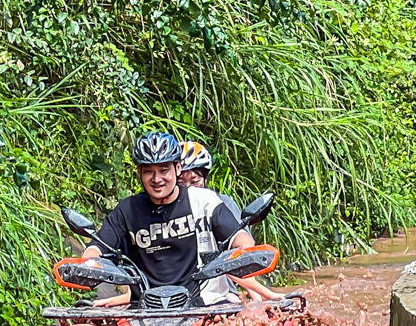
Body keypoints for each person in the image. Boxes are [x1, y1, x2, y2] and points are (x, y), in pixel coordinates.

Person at [82, 132, 275, 307]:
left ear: (177, 168)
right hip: (145, 310)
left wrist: (243, 253)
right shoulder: (127, 210)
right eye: (148, 171)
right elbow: (97, 247)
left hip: (205, 306)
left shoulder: (204, 201)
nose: (156, 179)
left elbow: (240, 239)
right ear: (139, 173)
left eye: (164, 170)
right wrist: (88, 264)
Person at [177, 139, 284, 304]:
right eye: (181, 183)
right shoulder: (161, 212)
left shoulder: (220, 206)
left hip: (219, 293)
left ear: (205, 178)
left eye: (195, 181)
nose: (189, 188)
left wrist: (261, 297)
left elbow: (239, 255)